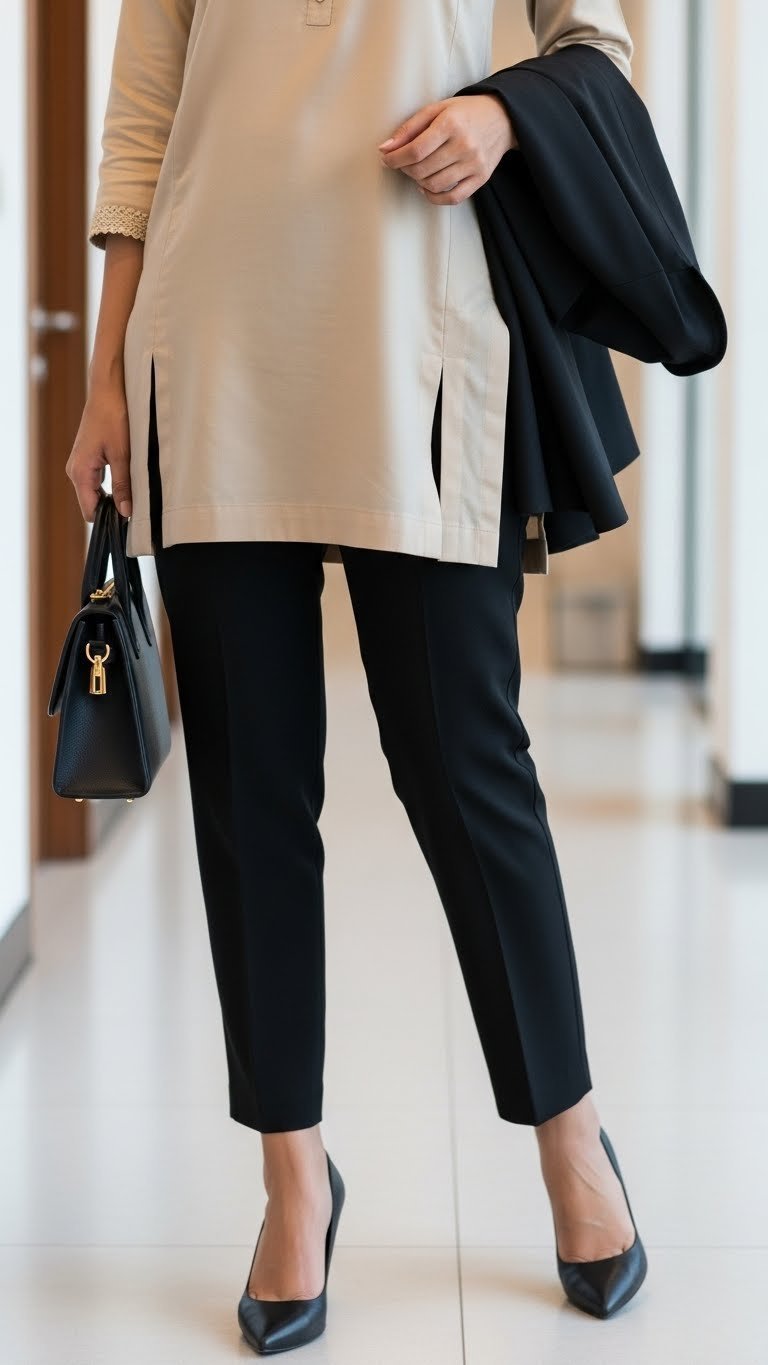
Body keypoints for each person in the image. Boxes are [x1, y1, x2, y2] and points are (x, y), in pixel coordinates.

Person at [67, 0, 647, 1351]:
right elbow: (146, 116)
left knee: (466, 768)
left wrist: (504, 117)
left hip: (423, 326)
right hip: (211, 342)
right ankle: (290, 1173)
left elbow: (597, 46)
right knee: (248, 789)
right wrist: (105, 375)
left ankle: (572, 1139)